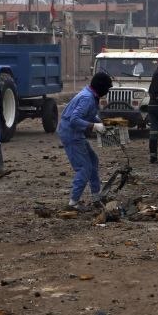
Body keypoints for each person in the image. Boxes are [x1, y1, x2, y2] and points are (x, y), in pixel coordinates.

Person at [58, 72, 113, 211]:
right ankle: (73, 203)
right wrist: (93, 126)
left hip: (75, 132)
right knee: (84, 168)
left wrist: (98, 121)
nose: (106, 92)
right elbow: (74, 119)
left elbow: (87, 113)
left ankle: (96, 197)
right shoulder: (87, 98)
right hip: (71, 133)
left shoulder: (90, 94)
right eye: (106, 89)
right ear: (101, 87)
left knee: (93, 161)